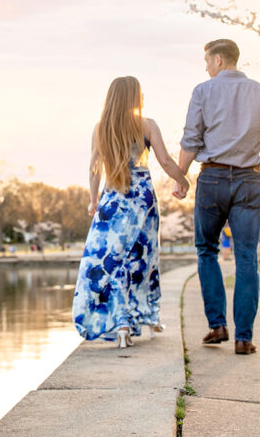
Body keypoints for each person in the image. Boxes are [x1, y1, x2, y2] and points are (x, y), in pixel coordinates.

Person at [178, 39, 260, 355]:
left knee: (206, 250)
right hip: (248, 180)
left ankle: (217, 325)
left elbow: (191, 138)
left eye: (207, 61)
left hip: (212, 178)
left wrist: (181, 176)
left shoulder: (202, 91)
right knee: (246, 256)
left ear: (219, 59)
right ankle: (244, 337)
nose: (205, 67)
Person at [72, 76, 189, 348]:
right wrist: (183, 180)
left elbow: (94, 169)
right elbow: (165, 160)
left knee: (110, 260)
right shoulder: (147, 125)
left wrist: (93, 200)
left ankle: (121, 322)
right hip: (141, 199)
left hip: (112, 200)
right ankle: (146, 315)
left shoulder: (100, 128)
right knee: (142, 259)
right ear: (134, 97)